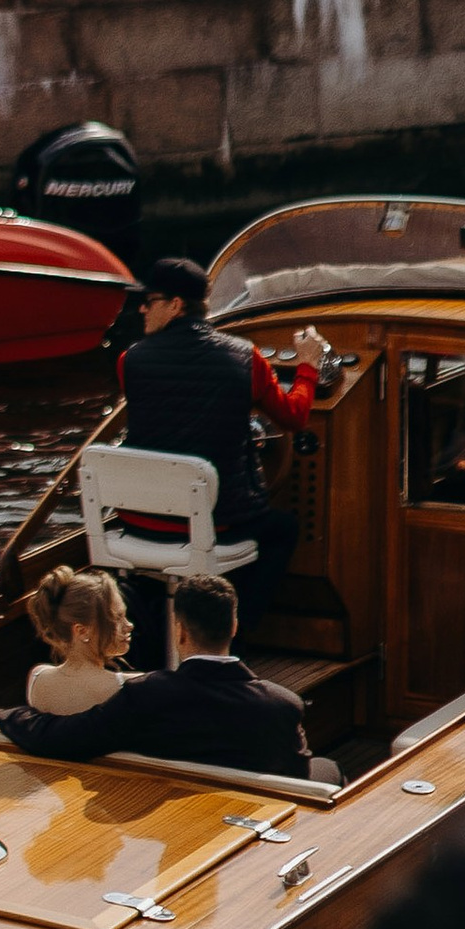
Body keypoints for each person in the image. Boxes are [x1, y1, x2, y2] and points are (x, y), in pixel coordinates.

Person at [118, 257, 331, 643]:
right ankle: (235, 633)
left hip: (140, 522)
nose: (142, 309)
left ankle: (160, 635)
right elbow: (296, 416)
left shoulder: (129, 360)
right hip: (213, 524)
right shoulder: (245, 359)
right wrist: (307, 365)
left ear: (176, 305)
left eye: (150, 300)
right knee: (284, 529)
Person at [0, 572, 308, 779]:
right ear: (234, 627)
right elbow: (301, 777)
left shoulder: (147, 694)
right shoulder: (284, 704)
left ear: (180, 631)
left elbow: (66, 736)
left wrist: (11, 716)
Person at [21, 566, 138, 716]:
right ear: (82, 631)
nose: (129, 625)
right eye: (117, 618)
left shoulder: (37, 678)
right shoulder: (130, 686)